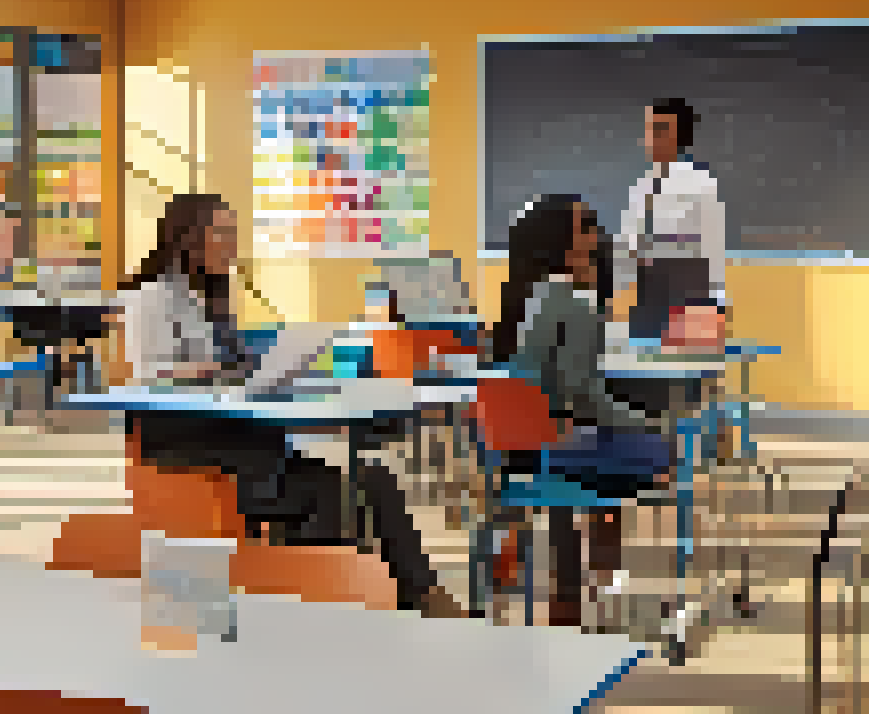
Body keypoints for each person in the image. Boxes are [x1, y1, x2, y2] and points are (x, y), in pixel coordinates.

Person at [120, 192, 463, 618]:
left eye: (234, 233)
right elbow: (150, 375)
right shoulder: (151, 295)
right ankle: (325, 607)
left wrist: (262, 372)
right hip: (191, 447)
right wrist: (222, 368)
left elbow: (222, 370)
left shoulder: (207, 297)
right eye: (222, 233)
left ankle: (418, 597)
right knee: (331, 496)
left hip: (239, 440)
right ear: (189, 237)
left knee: (374, 476)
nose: (231, 244)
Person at [495, 193, 680, 626]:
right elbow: (583, 394)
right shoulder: (576, 304)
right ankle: (620, 567)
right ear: (565, 243)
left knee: (627, 436)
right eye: (586, 230)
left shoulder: (536, 296)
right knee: (662, 448)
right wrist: (648, 425)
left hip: (523, 451)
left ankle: (592, 572)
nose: (597, 239)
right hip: (555, 453)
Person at [616, 97, 726, 343]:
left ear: (680, 136)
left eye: (661, 130)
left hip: (690, 297)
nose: (652, 138)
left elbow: (713, 248)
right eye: (650, 129)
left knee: (688, 370)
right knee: (645, 370)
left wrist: (717, 305)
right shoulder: (640, 188)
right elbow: (628, 246)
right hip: (648, 298)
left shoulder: (701, 185)